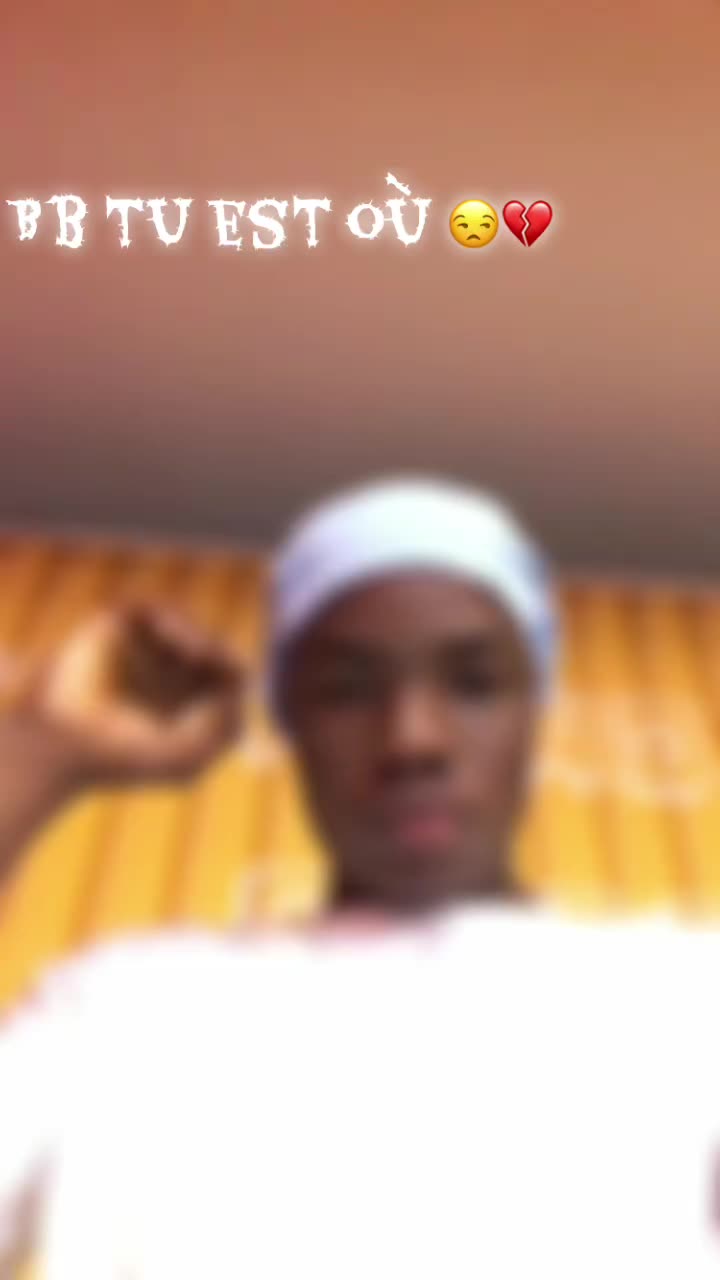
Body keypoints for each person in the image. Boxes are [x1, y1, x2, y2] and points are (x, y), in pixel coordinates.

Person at [0, 476, 719, 1278]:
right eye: (346, 692)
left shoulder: (687, 998)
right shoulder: (122, 1007)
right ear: (291, 724)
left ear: (535, 709)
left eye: (475, 684)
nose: (413, 738)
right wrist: (36, 751)